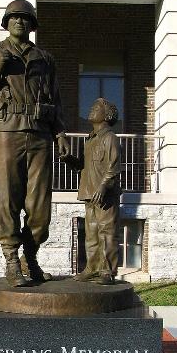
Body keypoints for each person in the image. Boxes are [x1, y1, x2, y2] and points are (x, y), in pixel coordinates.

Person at [0, 0, 67, 287]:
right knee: (6, 198)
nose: (20, 22)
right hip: (7, 133)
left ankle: (30, 257)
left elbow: (56, 100)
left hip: (40, 135)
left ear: (32, 25)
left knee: (40, 208)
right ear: (6, 22)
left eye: (25, 18)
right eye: (14, 18)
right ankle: (12, 260)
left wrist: (60, 134)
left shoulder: (45, 58)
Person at [60, 98, 121, 285]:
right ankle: (92, 268)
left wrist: (103, 186)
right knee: (91, 233)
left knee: (107, 232)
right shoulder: (90, 139)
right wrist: (70, 159)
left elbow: (114, 166)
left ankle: (107, 271)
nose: (91, 110)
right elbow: (84, 166)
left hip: (105, 195)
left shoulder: (110, 138)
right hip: (89, 192)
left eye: (96, 108)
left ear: (106, 115)